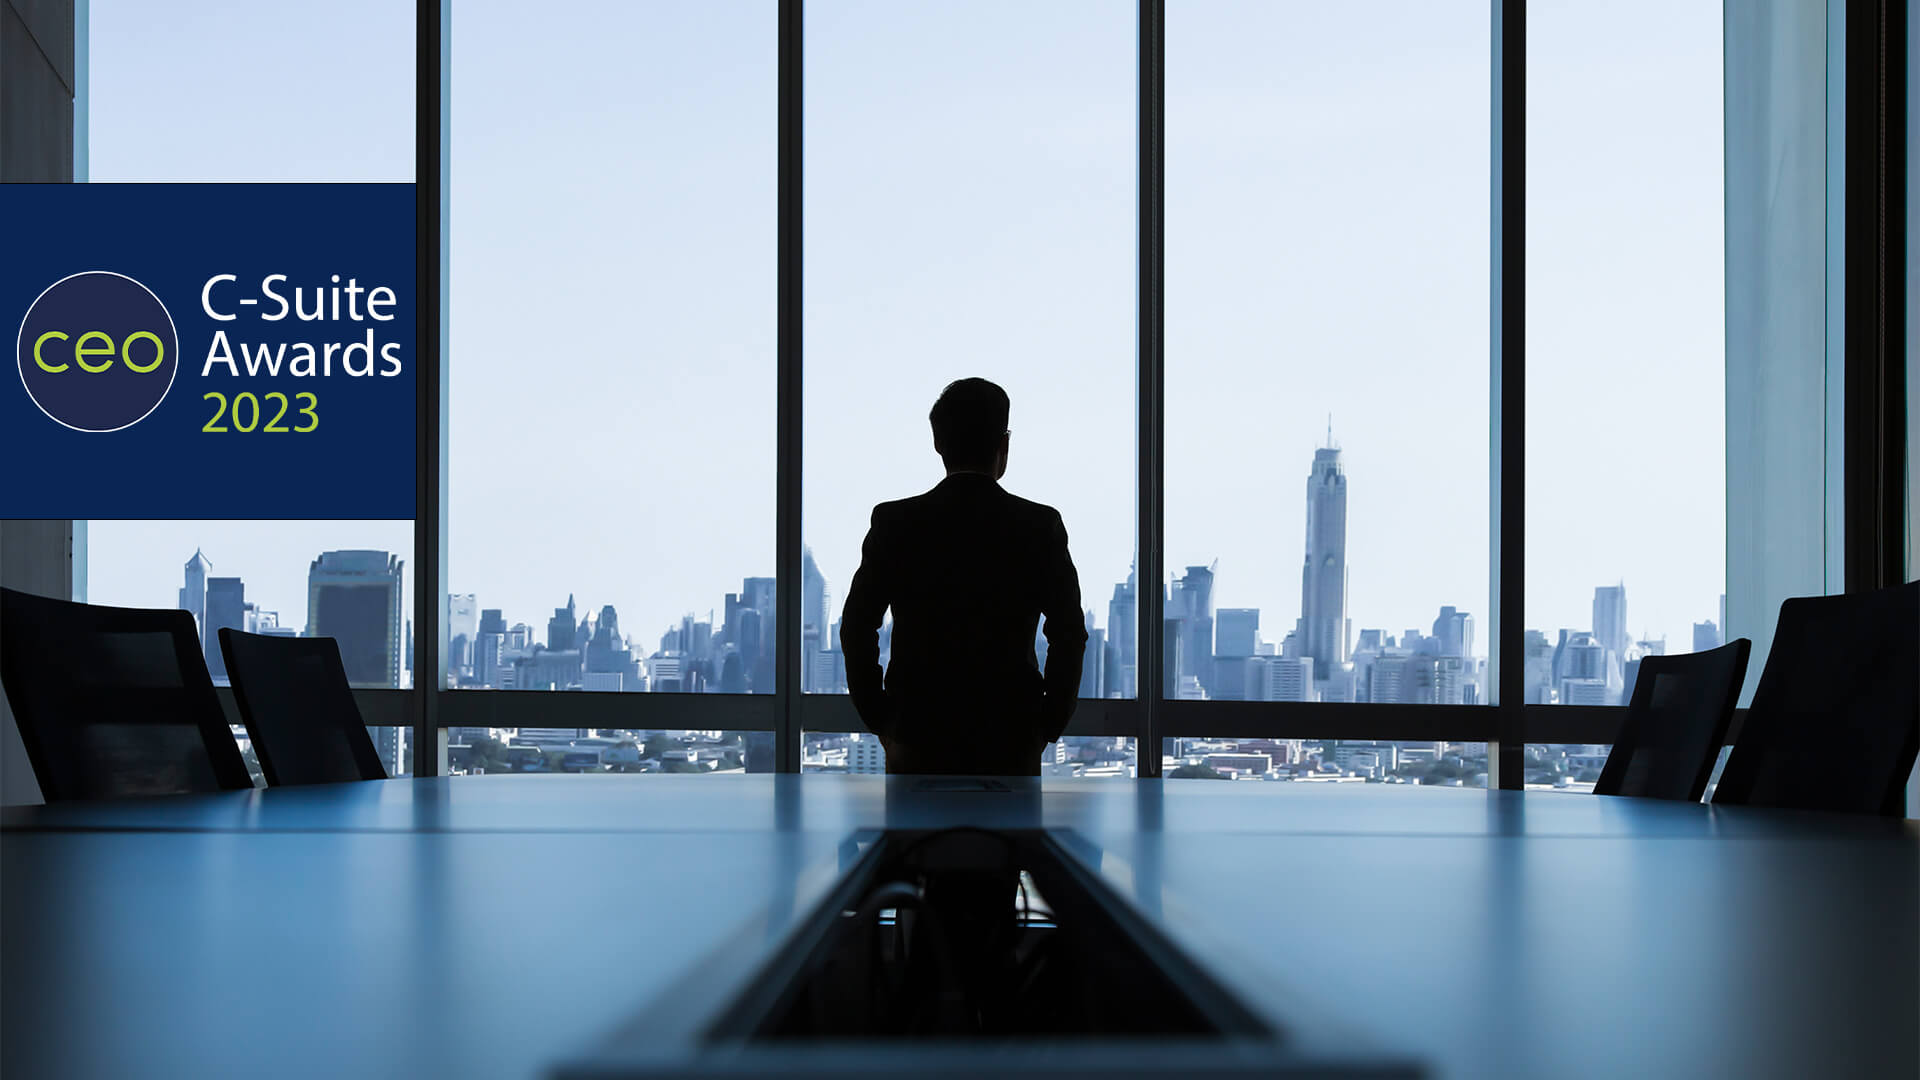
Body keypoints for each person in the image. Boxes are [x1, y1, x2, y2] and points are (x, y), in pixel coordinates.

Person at [840, 378, 1088, 776]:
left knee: (917, 838)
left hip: (917, 732)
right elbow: (1069, 634)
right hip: (1009, 735)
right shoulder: (1038, 526)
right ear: (1003, 443)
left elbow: (856, 627)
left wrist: (882, 718)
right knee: (1009, 838)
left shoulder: (896, 523)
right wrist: (1046, 724)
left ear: (938, 442)